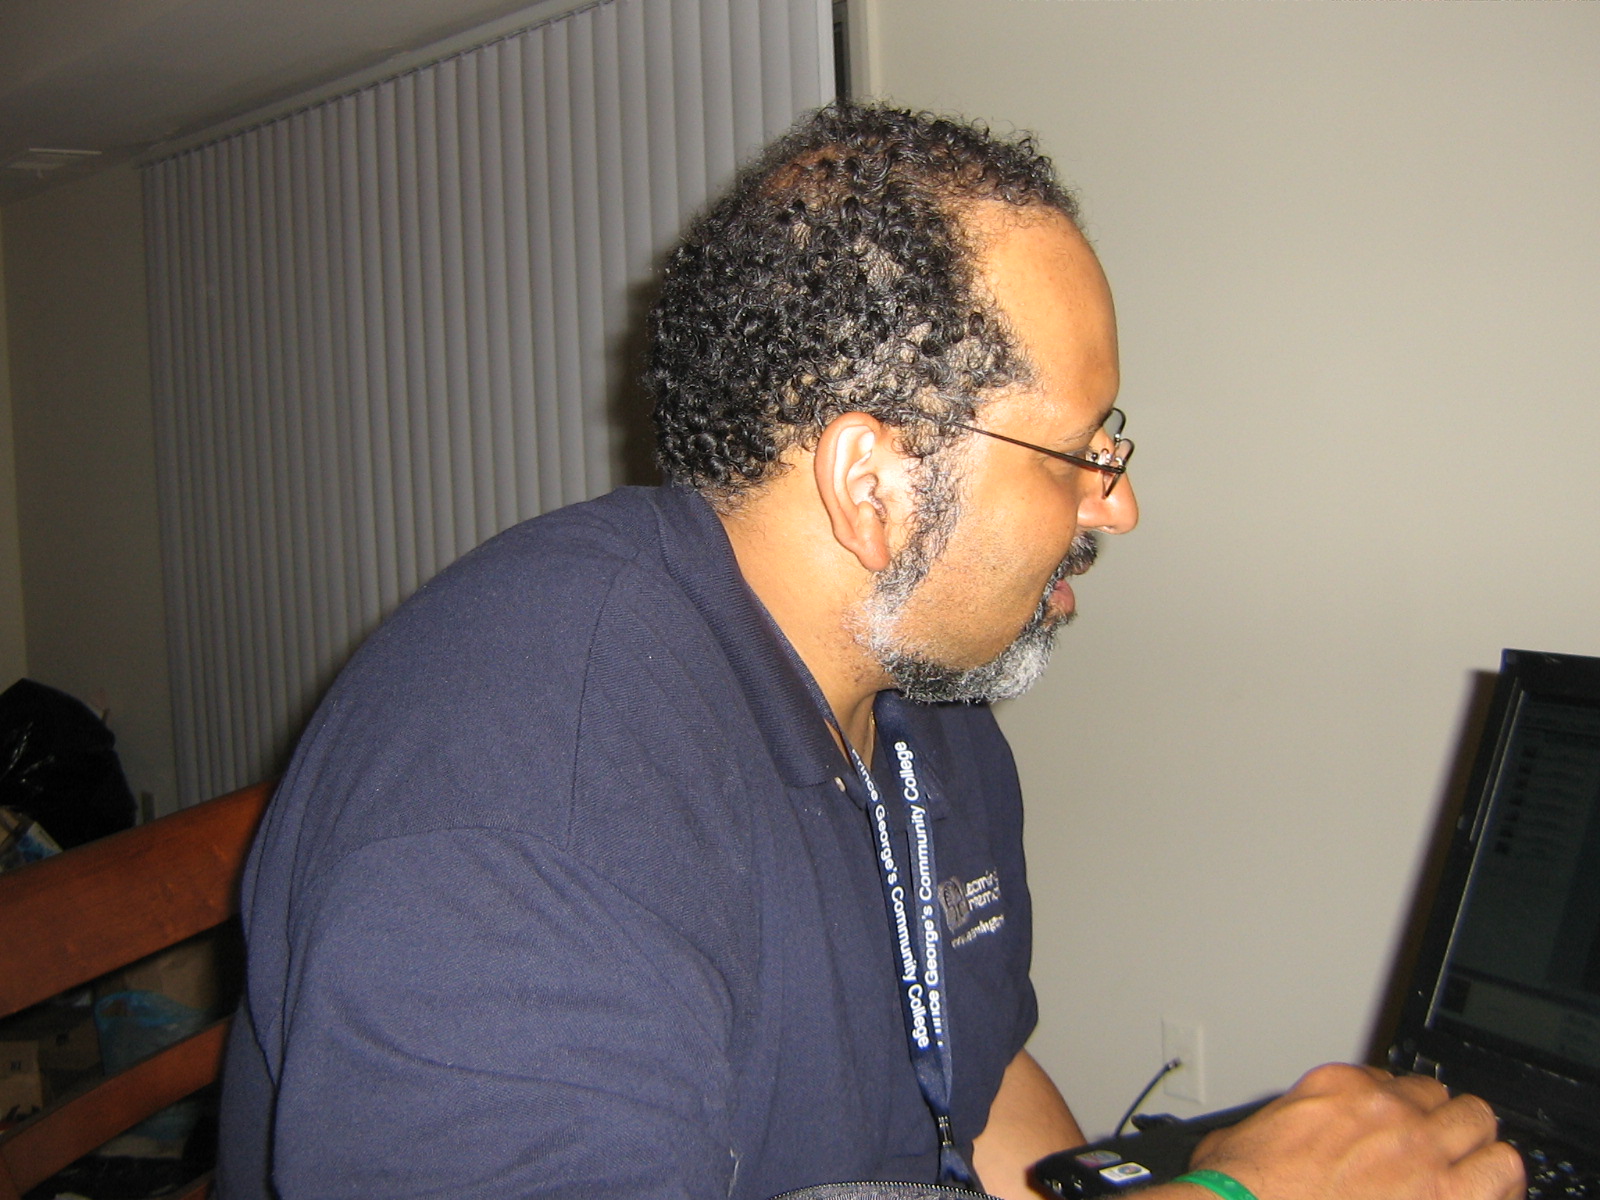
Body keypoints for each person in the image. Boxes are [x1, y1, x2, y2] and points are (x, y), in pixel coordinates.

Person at [216, 103, 1524, 1200]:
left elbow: (974, 1083)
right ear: (875, 485)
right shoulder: (524, 817)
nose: (1116, 504)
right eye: (1077, 453)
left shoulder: (921, 695)